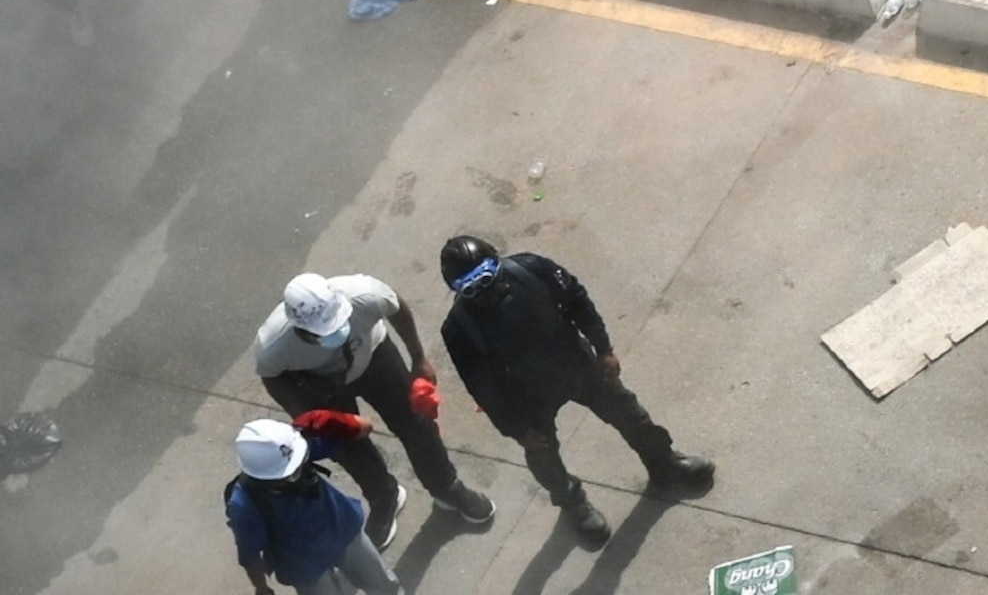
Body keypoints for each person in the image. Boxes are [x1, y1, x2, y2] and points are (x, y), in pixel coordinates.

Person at [436, 235, 713, 548]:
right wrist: (515, 429)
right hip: (527, 398)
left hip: (577, 366)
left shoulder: (531, 269)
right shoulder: (458, 328)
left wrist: (604, 348)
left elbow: (578, 300)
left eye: (486, 279)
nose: (484, 293)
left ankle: (663, 463)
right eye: (471, 287)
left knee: (629, 413)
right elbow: (481, 386)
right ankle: (573, 503)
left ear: (497, 265)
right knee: (544, 458)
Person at [253, 272, 493, 539]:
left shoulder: (365, 295)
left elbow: (398, 308)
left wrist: (419, 359)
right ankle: (384, 498)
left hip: (374, 356)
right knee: (347, 446)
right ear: (300, 330)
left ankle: (446, 487)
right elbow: (272, 378)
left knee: (416, 424)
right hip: (320, 381)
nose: (337, 333)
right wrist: (307, 415)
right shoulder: (273, 346)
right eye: (325, 331)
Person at [225, 415, 400, 595]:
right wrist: (261, 587)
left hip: (342, 527)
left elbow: (364, 428)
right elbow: (250, 553)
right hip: (302, 564)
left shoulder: (296, 448)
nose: (297, 471)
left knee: (384, 586)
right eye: (288, 474)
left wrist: (339, 420)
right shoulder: (243, 506)